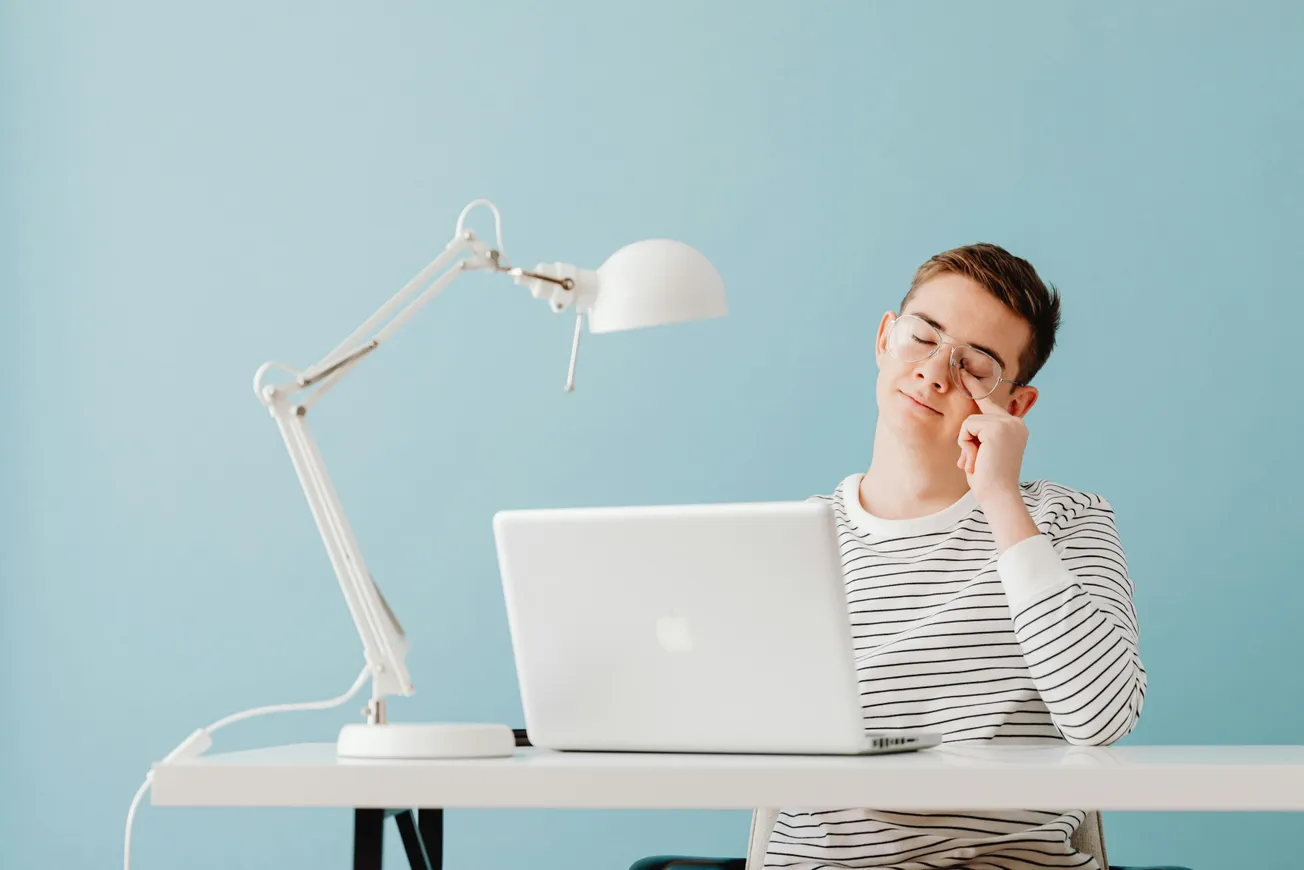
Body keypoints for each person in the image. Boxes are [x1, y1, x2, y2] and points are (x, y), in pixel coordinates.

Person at [763, 245, 1146, 870]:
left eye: (976, 365)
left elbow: (1099, 716)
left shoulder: (1066, 520)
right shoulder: (789, 540)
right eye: (923, 338)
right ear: (887, 337)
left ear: (1015, 406)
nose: (936, 374)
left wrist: (1000, 497)